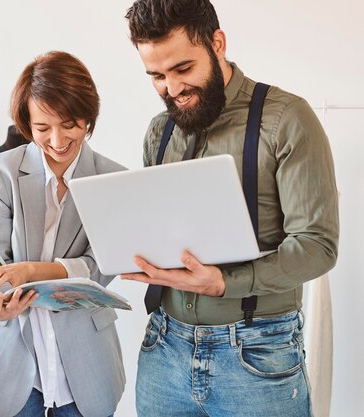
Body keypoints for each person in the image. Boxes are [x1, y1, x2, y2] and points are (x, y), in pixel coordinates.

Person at [122, 1, 339, 416]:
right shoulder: (158, 131)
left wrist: (225, 282)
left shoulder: (287, 119)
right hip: (164, 347)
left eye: (183, 69)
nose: (171, 88)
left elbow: (318, 246)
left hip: (257, 353)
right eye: (156, 76)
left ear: (217, 43)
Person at [0, 51, 126, 417]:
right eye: (43, 128)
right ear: (27, 124)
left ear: (88, 118)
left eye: (70, 124)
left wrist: (29, 272)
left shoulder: (112, 179)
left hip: (84, 362)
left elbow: (101, 266)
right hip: (6, 355)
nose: (57, 140)